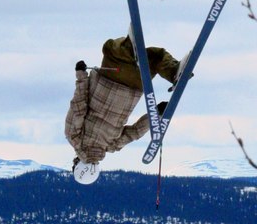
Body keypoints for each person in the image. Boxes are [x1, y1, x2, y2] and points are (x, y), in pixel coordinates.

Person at [65, 33, 182, 184]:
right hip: (109, 78)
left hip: (134, 87)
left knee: (155, 57)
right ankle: (129, 45)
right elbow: (78, 106)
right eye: (75, 165)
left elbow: (134, 132)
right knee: (112, 48)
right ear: (79, 166)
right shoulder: (74, 137)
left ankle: (173, 72)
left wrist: (156, 113)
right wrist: (81, 75)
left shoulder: (112, 146)